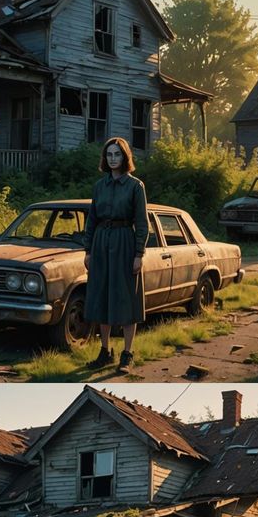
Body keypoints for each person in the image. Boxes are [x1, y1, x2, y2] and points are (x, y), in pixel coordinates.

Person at [83, 136, 148, 370]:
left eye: (117, 154)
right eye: (109, 155)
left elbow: (142, 223)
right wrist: (88, 250)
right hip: (101, 243)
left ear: (124, 157)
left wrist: (139, 254)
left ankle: (127, 354)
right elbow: (91, 220)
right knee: (102, 296)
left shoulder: (135, 186)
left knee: (126, 298)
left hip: (124, 243)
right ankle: (105, 352)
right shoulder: (100, 186)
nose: (112, 159)